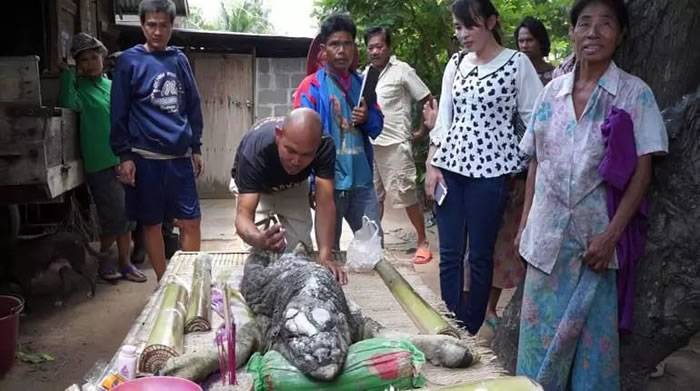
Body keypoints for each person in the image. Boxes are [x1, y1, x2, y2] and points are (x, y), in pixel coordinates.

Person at [515, 0, 668, 388]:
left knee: (591, 359)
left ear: (621, 36)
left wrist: (611, 236)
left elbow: (642, 174)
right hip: (545, 243)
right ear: (571, 33)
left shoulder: (635, 95)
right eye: (584, 23)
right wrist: (524, 225)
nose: (593, 32)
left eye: (605, 24)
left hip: (595, 249)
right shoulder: (551, 93)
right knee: (537, 351)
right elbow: (536, 163)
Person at [423, 0, 542, 335]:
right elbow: (444, 118)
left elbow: (535, 118)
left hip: (491, 175)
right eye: (458, 27)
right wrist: (432, 165)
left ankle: (470, 327)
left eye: (470, 26)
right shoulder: (456, 64)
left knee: (479, 255)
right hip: (450, 168)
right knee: (448, 253)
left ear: (491, 22)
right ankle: (448, 324)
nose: (463, 34)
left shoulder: (517, 64)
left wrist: (522, 162)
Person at [111, 0, 204, 281]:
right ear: (141, 25)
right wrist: (124, 155)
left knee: (191, 221)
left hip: (179, 158)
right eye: (151, 25)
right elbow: (119, 111)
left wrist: (196, 146)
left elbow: (193, 104)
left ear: (172, 26)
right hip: (144, 158)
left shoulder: (179, 60)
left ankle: (189, 281)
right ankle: (164, 284)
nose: (157, 31)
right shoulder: (129, 61)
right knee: (151, 223)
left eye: (164, 25)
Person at [58, 33, 146, 283]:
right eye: (82, 60)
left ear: (102, 57)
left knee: (128, 216)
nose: (89, 63)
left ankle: (125, 264)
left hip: (125, 159)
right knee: (115, 217)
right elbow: (67, 104)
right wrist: (66, 74)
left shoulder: (111, 86)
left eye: (93, 57)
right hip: (100, 163)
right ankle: (104, 261)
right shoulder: (78, 88)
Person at [294, 14, 384, 249]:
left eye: (347, 43)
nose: (342, 50)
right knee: (328, 252)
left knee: (374, 247)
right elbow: (301, 139)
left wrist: (367, 118)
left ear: (354, 47)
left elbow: (377, 127)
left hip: (362, 182)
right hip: (328, 184)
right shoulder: (311, 87)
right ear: (324, 49)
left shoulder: (363, 84)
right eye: (335, 44)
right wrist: (312, 183)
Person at [232, 108, 346, 283]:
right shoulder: (255, 149)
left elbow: (325, 204)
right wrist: (257, 238)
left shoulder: (325, 145)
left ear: (317, 146)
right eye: (290, 151)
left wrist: (325, 256)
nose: (296, 161)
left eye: (306, 155)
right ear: (279, 135)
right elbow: (243, 215)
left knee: (301, 250)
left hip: (294, 185)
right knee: (257, 253)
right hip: (257, 189)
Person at [364, 26, 434, 264]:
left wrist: (422, 130)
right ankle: (375, 244)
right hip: (371, 144)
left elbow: (427, 98)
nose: (375, 51)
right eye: (371, 47)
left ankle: (422, 241)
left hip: (396, 145)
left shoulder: (402, 70)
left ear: (388, 47)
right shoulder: (366, 75)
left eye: (379, 46)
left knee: (406, 195)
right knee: (374, 198)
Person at [515, 17, 555, 85]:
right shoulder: (513, 74)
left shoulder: (555, 76)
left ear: (541, 41)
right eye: (521, 41)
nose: (524, 45)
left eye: (530, 40)